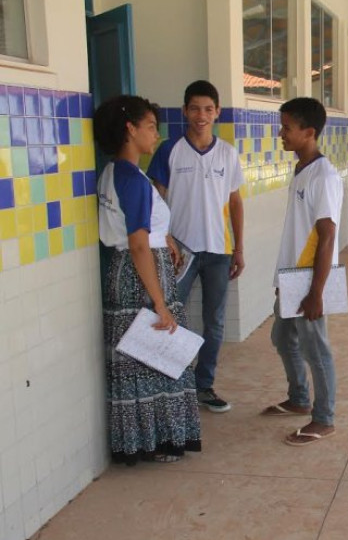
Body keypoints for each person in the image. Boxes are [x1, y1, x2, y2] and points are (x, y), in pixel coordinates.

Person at [95, 95, 202, 465]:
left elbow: (141, 230)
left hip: (125, 272)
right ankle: (161, 440)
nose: (156, 135)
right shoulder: (133, 179)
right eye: (151, 127)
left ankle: (143, 440)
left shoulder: (114, 172)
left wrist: (165, 238)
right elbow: (138, 243)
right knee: (158, 355)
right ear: (130, 129)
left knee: (140, 360)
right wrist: (159, 303)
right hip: (141, 276)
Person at [147, 80, 245, 413]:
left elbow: (235, 203)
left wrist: (239, 248)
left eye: (207, 109)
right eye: (194, 109)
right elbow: (155, 200)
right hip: (179, 253)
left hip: (219, 251)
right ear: (184, 111)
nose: (201, 115)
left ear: (217, 112)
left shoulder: (227, 153)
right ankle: (172, 386)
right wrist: (163, 239)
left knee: (214, 322)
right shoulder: (169, 150)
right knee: (170, 315)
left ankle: (204, 385)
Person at [266, 97, 343, 446]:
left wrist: (316, 292)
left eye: (287, 128)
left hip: (309, 278)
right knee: (283, 338)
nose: (281, 134)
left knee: (316, 349)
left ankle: (324, 418)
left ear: (309, 132)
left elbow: (327, 236)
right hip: (292, 275)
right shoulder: (302, 169)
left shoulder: (323, 176)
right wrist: (283, 280)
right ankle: (299, 398)